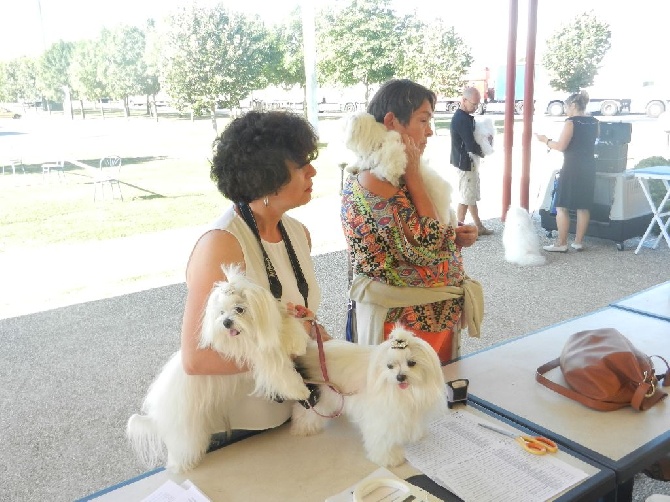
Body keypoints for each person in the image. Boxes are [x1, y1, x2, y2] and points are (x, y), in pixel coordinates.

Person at [180, 110, 326, 445]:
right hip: (235, 429)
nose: (313, 171)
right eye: (302, 164)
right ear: (268, 176)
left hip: (287, 416)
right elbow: (196, 359)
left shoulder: (297, 233)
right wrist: (285, 352)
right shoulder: (222, 244)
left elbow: (299, 320)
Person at [340, 79, 480, 364]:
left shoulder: (394, 175)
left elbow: (431, 237)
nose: (429, 131)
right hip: (402, 327)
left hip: (424, 322)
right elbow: (426, 246)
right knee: (406, 402)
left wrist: (456, 237)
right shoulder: (377, 179)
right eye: (423, 120)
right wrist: (415, 177)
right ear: (392, 122)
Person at [536, 90, 599, 252]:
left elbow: (561, 146)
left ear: (573, 105)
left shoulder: (571, 122)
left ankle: (561, 243)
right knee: (583, 206)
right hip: (589, 165)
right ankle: (578, 242)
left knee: (562, 205)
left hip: (572, 166)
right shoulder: (594, 122)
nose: (565, 110)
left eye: (566, 107)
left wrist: (546, 141)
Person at [450, 86, 494, 235]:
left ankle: (469, 227)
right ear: (464, 100)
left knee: (468, 196)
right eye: (474, 104)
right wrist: (485, 150)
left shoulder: (464, 117)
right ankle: (460, 229)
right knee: (467, 196)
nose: (476, 107)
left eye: (478, 104)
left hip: (465, 161)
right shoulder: (462, 119)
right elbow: (470, 144)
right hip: (465, 162)